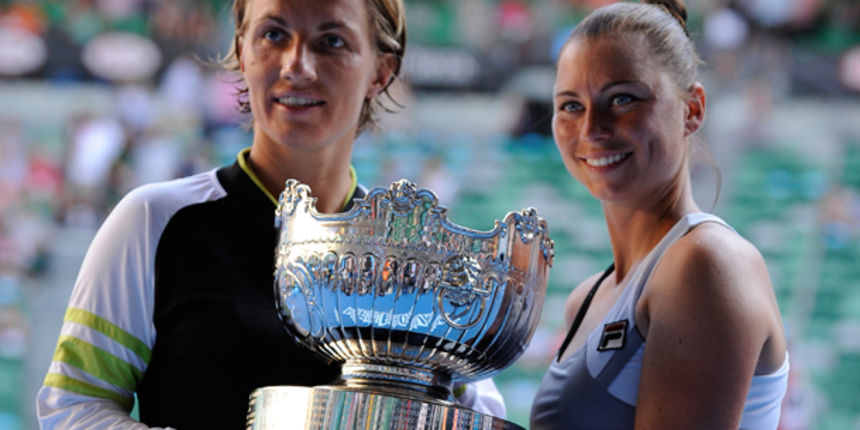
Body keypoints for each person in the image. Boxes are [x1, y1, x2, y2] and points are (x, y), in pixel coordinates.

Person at [37, 0, 504, 428]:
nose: (297, 65)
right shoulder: (154, 221)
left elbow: (476, 415)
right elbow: (72, 409)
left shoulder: (415, 260)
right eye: (274, 35)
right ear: (242, 51)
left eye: (332, 42)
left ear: (381, 71)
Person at [530, 1, 789, 429]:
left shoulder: (705, 264)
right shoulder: (586, 299)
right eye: (571, 105)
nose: (592, 128)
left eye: (622, 99)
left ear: (692, 109)